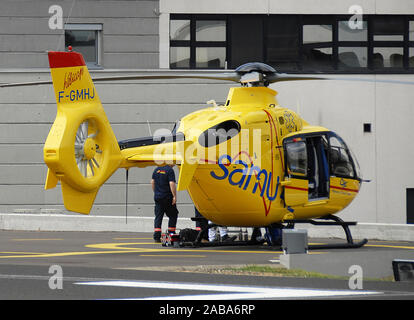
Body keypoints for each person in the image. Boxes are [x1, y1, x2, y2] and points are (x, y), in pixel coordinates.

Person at [151, 164, 179, 242]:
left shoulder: (156, 169)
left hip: (158, 197)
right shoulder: (170, 170)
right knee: (173, 215)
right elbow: (171, 183)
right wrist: (174, 196)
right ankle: (171, 233)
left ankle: (157, 236)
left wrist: (156, 192)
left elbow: (152, 182)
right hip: (167, 197)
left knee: (158, 216)